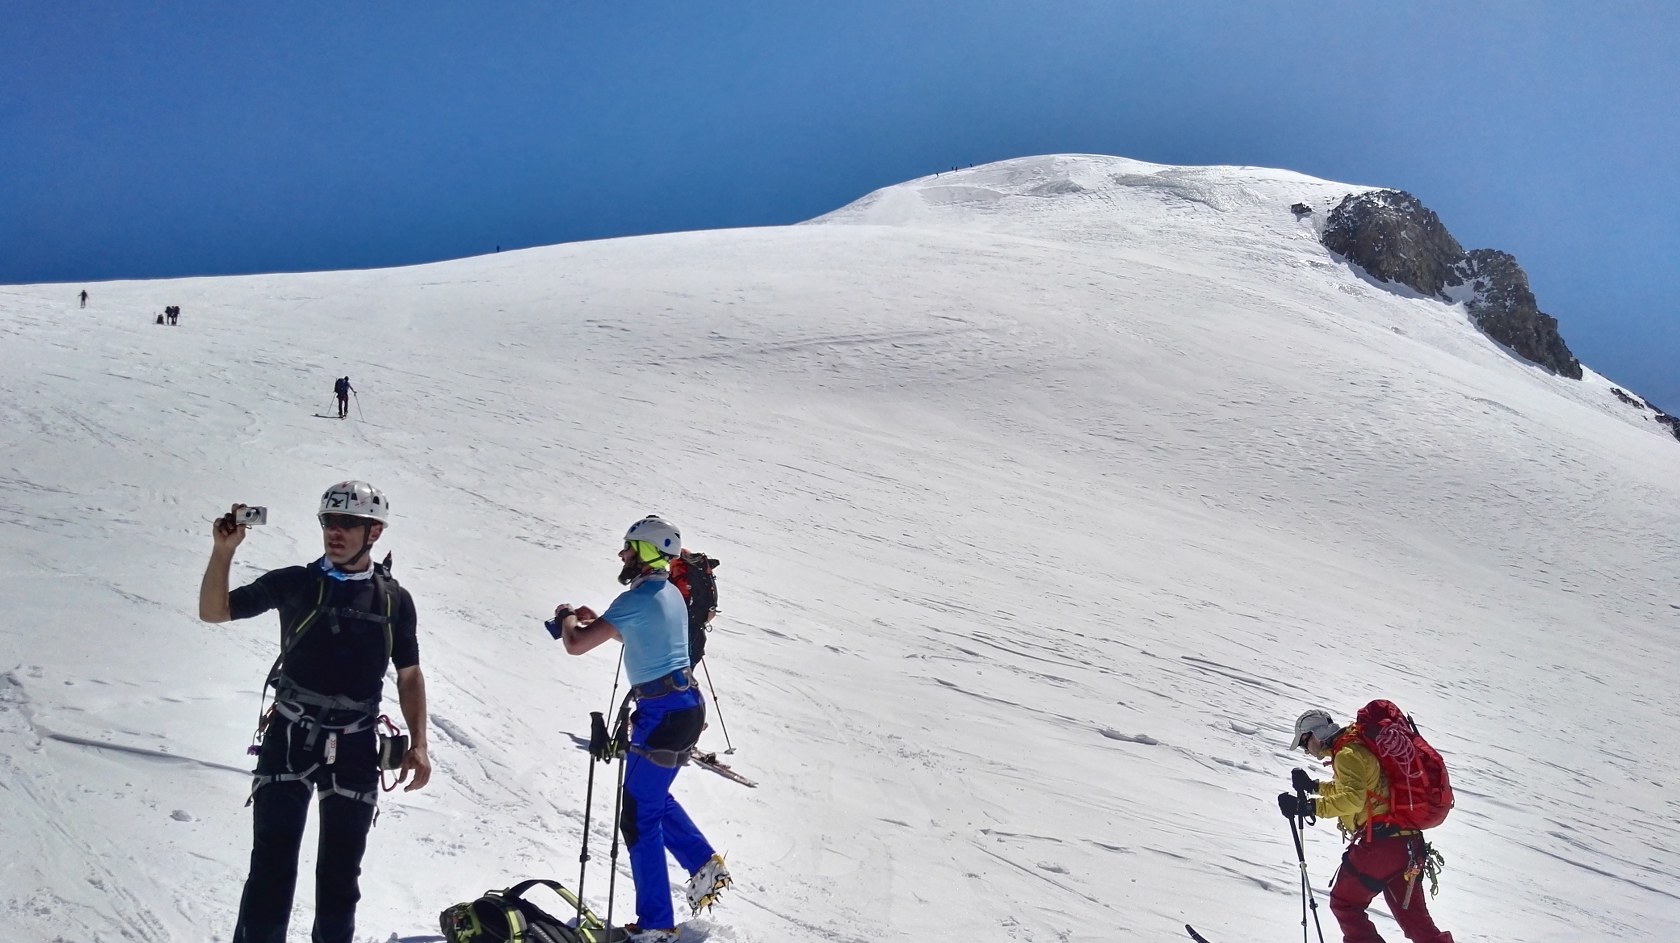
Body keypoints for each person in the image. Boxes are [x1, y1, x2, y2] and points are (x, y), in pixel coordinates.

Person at [199, 480, 431, 943]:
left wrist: (420, 744)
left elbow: (409, 675)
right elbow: (215, 611)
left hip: (356, 744)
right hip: (289, 736)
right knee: (271, 870)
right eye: (329, 521)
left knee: (340, 881)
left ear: (374, 532)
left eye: (348, 523)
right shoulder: (295, 583)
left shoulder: (393, 599)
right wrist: (223, 551)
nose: (334, 532)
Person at [552, 515, 731, 943]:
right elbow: (642, 634)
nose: (622, 554)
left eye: (628, 548)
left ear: (647, 551)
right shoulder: (668, 594)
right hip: (684, 708)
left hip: (662, 714)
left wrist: (566, 618)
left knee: (637, 815)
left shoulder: (636, 598)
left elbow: (575, 644)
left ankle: (656, 924)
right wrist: (605, 622)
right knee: (648, 796)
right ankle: (703, 864)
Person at [1281, 710, 1453, 943]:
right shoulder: (1355, 747)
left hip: (1381, 847)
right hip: (1407, 845)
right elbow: (1358, 788)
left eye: (1304, 743)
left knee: (1345, 903)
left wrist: (1309, 808)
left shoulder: (1346, 754)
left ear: (1315, 735)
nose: (1306, 750)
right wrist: (1315, 787)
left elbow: (1353, 799)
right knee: (1417, 923)